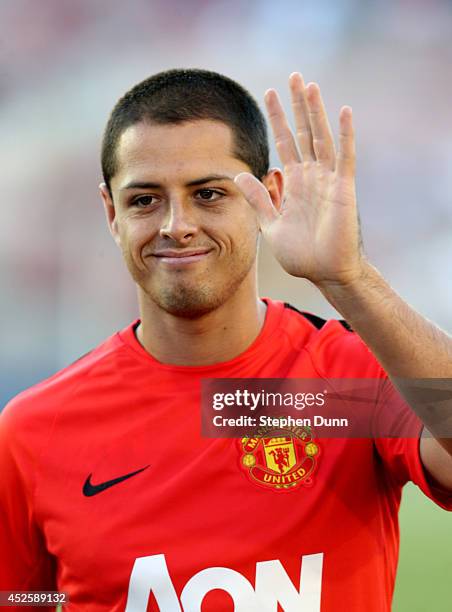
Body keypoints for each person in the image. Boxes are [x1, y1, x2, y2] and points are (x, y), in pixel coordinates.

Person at [0, 68, 451, 612]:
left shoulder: (349, 384)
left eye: (209, 193)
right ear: (110, 212)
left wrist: (349, 279)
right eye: (145, 200)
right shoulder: (34, 431)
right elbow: (22, 596)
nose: (177, 224)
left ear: (269, 196)